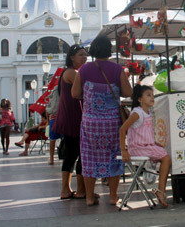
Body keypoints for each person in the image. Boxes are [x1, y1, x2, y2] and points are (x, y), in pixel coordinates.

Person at [72, 36, 133, 206]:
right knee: (114, 156)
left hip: (90, 123)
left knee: (89, 156)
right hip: (112, 123)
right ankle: (113, 196)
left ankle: (90, 197)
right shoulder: (117, 69)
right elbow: (128, 92)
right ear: (109, 50)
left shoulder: (84, 70)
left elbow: (74, 93)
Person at [119, 84, 171, 208]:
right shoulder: (137, 113)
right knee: (166, 158)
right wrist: (123, 150)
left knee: (165, 155)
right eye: (148, 95)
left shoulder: (148, 112)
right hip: (138, 148)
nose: (152, 98)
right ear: (140, 99)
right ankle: (160, 191)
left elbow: (143, 133)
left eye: (152, 95)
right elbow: (122, 130)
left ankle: (160, 190)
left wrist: (154, 142)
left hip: (145, 146)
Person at [52, 44, 88, 200]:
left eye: (85, 54)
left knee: (72, 154)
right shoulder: (72, 73)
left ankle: (67, 189)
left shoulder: (72, 72)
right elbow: (87, 88)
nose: (84, 57)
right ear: (72, 57)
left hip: (71, 117)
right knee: (79, 153)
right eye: (81, 54)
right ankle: (80, 190)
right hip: (73, 118)